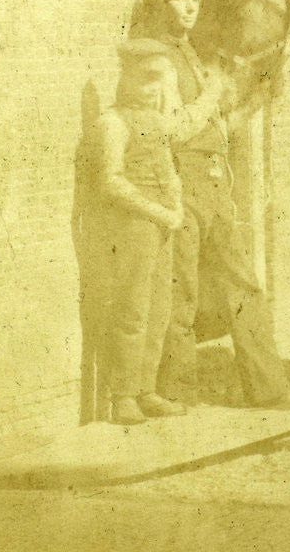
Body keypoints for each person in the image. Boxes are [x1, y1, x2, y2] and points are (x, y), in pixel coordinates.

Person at [141, 0, 290, 412]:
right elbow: (174, 130)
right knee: (181, 295)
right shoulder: (154, 60)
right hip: (179, 185)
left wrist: (261, 95)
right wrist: (214, 93)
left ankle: (271, 390)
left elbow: (219, 126)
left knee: (244, 286)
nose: (191, 6)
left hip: (215, 187)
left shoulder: (192, 56)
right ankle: (177, 396)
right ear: (158, 4)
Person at [95, 38, 218, 426]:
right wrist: (159, 212)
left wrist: (176, 208)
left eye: (159, 82)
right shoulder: (111, 123)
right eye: (146, 79)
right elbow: (110, 183)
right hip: (133, 224)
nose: (153, 89)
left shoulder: (157, 121)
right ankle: (123, 397)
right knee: (132, 309)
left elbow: (170, 162)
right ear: (126, 77)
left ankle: (146, 389)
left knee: (159, 309)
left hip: (163, 223)